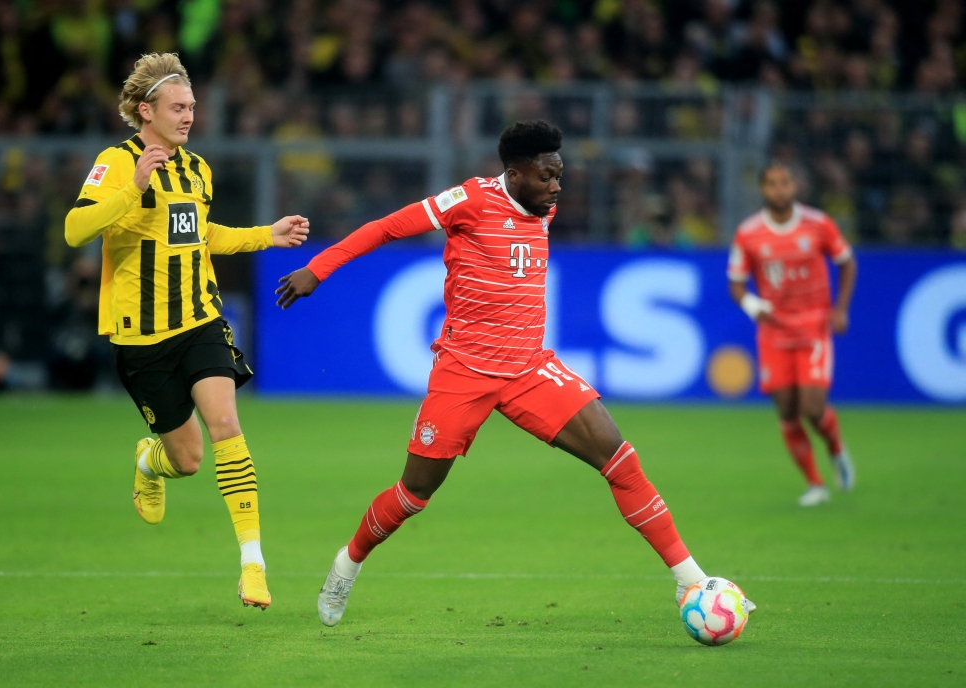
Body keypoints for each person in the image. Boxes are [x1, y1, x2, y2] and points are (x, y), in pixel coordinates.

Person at [276, 120, 755, 626]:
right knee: (414, 494)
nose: (556, 186)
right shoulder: (469, 200)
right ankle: (347, 563)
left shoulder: (542, 207)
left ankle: (692, 581)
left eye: (560, 174)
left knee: (621, 461)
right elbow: (387, 227)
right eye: (547, 176)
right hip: (463, 371)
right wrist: (318, 269)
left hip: (529, 367)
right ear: (515, 173)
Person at [64, 53, 309, 608]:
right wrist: (133, 189)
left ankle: (253, 564)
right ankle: (150, 460)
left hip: (199, 319)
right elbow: (75, 229)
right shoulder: (115, 162)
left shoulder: (197, 170)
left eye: (193, 106)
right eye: (178, 107)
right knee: (188, 459)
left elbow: (200, 234)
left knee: (226, 423)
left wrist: (264, 235)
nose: (189, 116)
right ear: (145, 111)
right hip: (140, 337)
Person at [727, 162, 857, 507]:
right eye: (772, 184)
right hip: (774, 332)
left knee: (812, 407)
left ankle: (836, 448)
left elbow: (846, 262)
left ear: (794, 186)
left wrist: (840, 308)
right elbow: (736, 284)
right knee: (786, 410)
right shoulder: (749, 232)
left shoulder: (818, 224)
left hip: (813, 326)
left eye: (785, 182)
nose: (779, 190)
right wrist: (755, 307)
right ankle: (815, 484)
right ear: (762, 189)